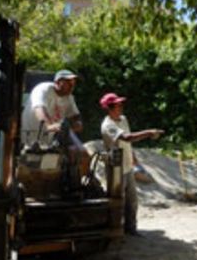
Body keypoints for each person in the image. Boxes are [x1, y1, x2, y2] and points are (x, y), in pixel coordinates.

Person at [99, 92, 163, 236]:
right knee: (118, 201)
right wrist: (149, 132)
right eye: (118, 105)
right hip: (116, 168)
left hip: (127, 166)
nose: (121, 107)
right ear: (110, 108)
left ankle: (130, 228)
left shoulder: (123, 120)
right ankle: (116, 229)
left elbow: (128, 143)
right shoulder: (107, 125)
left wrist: (134, 159)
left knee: (132, 200)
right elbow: (127, 138)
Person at [21, 69, 84, 147]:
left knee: (79, 151)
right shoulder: (43, 89)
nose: (72, 85)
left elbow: (74, 116)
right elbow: (39, 109)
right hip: (26, 136)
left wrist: (77, 123)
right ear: (57, 82)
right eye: (68, 82)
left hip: (47, 141)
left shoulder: (69, 98)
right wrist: (49, 125)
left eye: (73, 83)